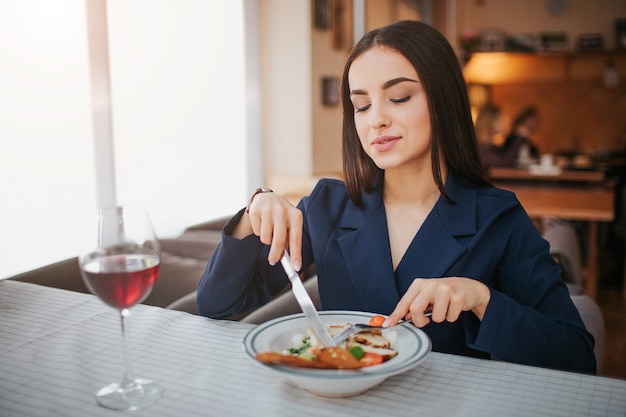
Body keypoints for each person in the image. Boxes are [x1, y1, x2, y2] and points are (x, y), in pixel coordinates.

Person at [197, 21, 595, 374]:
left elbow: (576, 355)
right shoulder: (328, 206)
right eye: (362, 105)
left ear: (443, 100)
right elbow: (217, 305)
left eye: (399, 97)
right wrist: (255, 211)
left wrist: (481, 299)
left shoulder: (498, 218)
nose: (376, 120)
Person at [474, 104, 510, 168]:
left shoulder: (487, 144)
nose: (503, 124)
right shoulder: (479, 145)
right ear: (490, 122)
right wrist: (520, 134)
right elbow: (504, 162)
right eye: (500, 120)